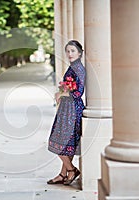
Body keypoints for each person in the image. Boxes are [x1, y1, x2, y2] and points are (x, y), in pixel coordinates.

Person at [47, 40, 85, 185]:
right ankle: (63, 174)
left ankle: (72, 170)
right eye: (68, 51)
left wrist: (62, 94)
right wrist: (62, 91)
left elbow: (78, 93)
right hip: (66, 109)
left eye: (73, 51)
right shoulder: (72, 67)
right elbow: (68, 88)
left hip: (72, 111)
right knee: (65, 144)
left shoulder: (79, 69)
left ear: (79, 53)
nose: (70, 54)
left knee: (59, 143)